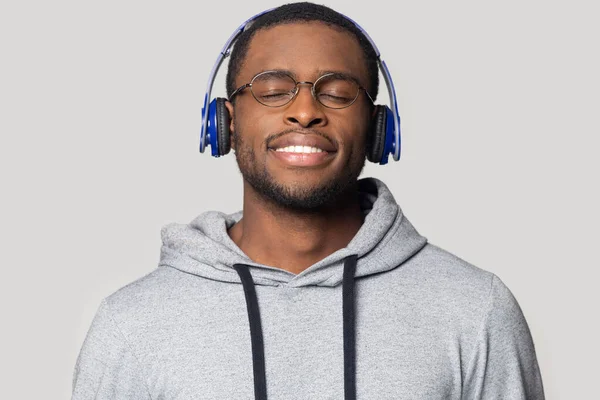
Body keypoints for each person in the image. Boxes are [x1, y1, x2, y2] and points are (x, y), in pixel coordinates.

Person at [71, 3, 545, 399]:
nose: (304, 111)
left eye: (337, 93)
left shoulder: (476, 309)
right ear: (226, 123)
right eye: (274, 91)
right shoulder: (131, 324)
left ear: (378, 129)